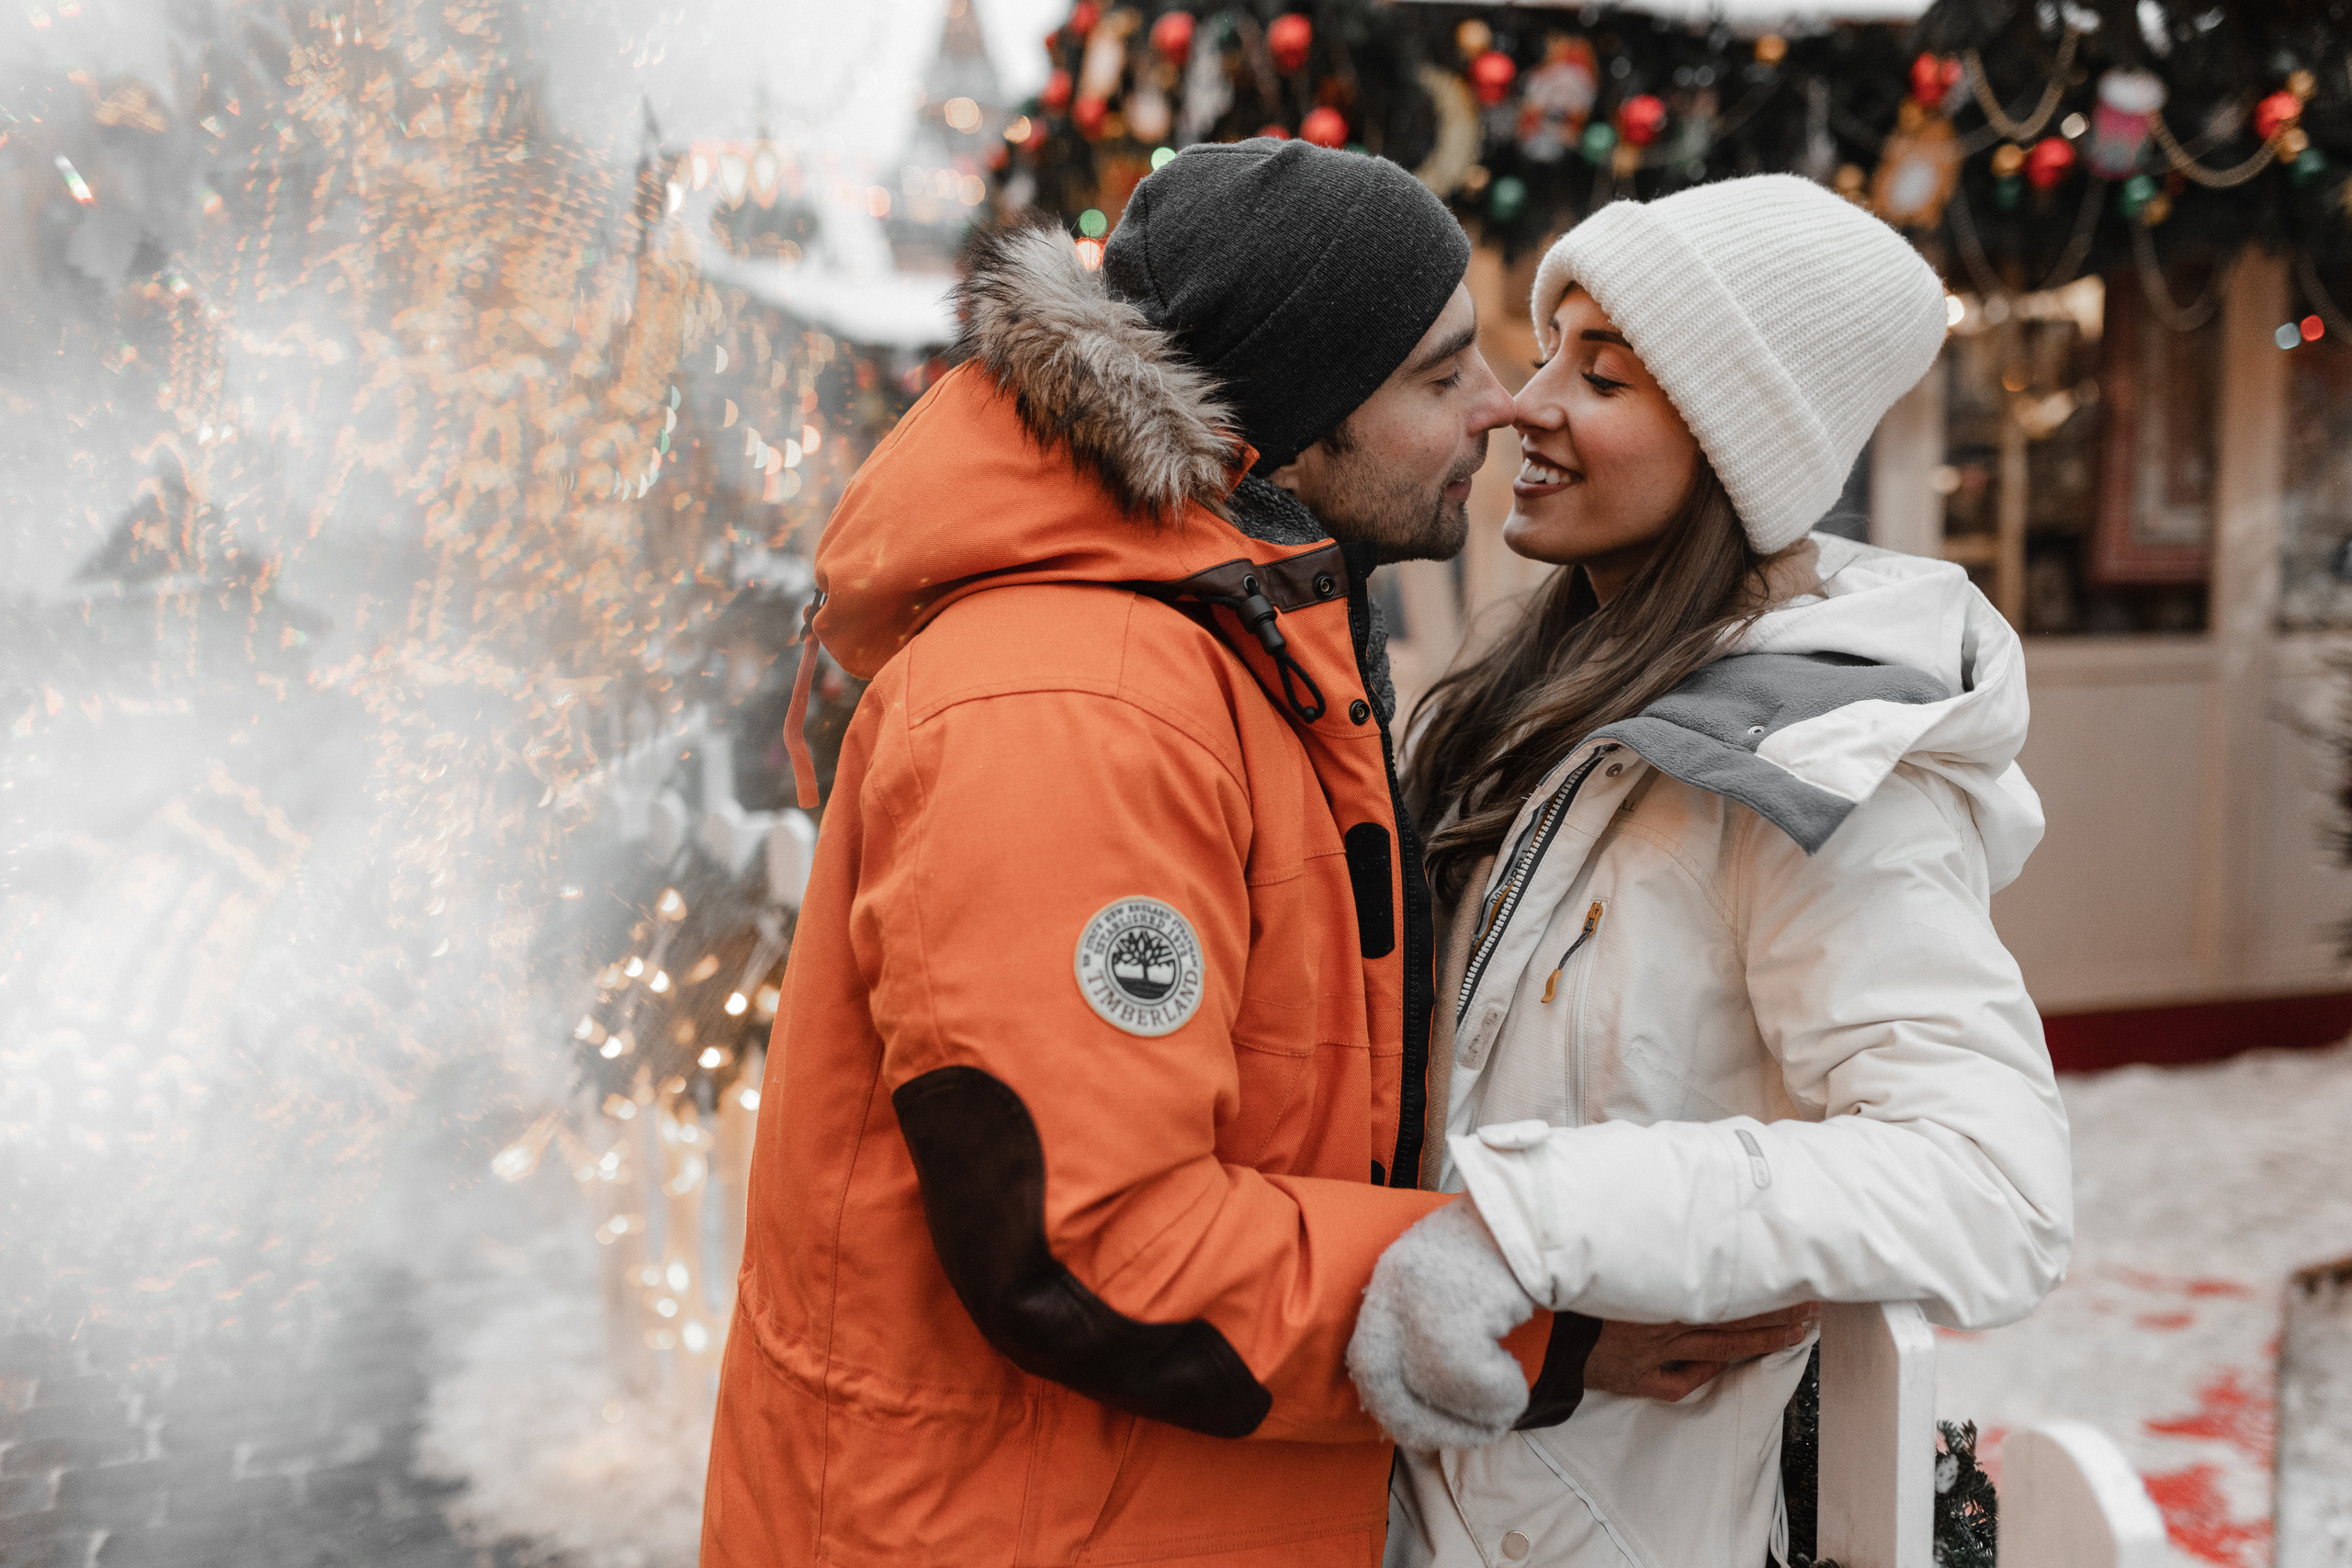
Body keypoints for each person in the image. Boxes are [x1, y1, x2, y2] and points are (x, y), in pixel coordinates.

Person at [701, 141, 1811, 1568]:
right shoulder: (1076, 709)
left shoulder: (1231, 648)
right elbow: (1093, 1241)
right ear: (1289, 421)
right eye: (1437, 372)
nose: (1498, 408)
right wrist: (1542, 1322)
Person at [1342, 174, 2075, 1567]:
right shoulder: (1534, 707)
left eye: (1601, 373)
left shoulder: (1820, 769)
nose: (1523, 402)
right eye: (1547, 346)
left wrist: (1531, 1227)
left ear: (1737, 442)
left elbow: (1996, 1185)